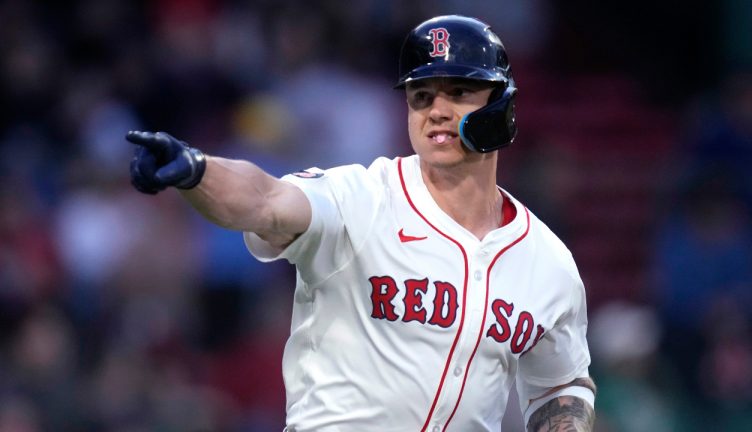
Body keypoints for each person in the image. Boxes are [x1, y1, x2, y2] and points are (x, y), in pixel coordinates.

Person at [126, 15, 596, 432]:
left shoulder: (546, 260)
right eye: (421, 95)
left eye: (459, 92)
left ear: (502, 105)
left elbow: (560, 385)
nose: (436, 109)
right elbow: (266, 200)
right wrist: (198, 170)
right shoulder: (360, 197)